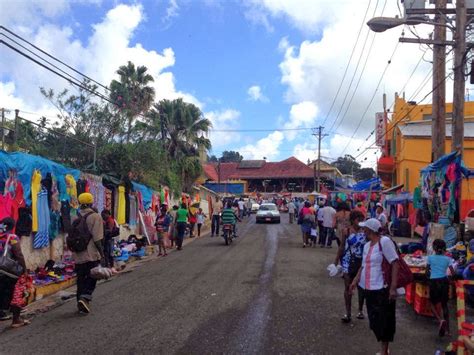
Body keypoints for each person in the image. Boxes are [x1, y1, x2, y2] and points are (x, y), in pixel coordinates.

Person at [350, 218, 400, 355]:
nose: (362, 230)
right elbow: (364, 265)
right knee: (374, 321)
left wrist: (393, 287)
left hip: (381, 288)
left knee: (384, 320)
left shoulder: (384, 242)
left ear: (370, 230)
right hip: (368, 287)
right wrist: (355, 280)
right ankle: (384, 347)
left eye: (364, 228)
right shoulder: (367, 245)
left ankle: (384, 350)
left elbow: (395, 263)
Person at [73, 193, 105, 314]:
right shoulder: (95, 216)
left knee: (81, 279)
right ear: (91, 203)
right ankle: (85, 297)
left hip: (77, 254)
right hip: (91, 254)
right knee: (93, 276)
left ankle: (79, 301)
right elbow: (97, 239)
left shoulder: (74, 215)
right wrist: (102, 254)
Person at [334, 210, 366, 323]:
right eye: (358, 219)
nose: (361, 222)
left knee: (362, 288)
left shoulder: (366, 231)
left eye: (362, 219)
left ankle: (360, 310)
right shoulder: (346, 231)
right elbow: (342, 247)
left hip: (362, 262)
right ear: (353, 220)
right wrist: (336, 261)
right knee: (347, 288)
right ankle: (348, 313)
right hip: (348, 262)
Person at [0, 217, 29, 328]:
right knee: (16, 293)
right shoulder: (12, 237)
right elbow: (19, 255)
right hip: (9, 271)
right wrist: (24, 270)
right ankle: (16, 319)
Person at [427, 239, 455, 337]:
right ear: (444, 249)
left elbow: (427, 272)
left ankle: (440, 320)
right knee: (444, 305)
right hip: (444, 282)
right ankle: (448, 330)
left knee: (431, 303)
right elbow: (452, 272)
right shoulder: (448, 259)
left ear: (434, 248)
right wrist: (452, 280)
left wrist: (428, 278)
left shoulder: (430, 258)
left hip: (434, 282)